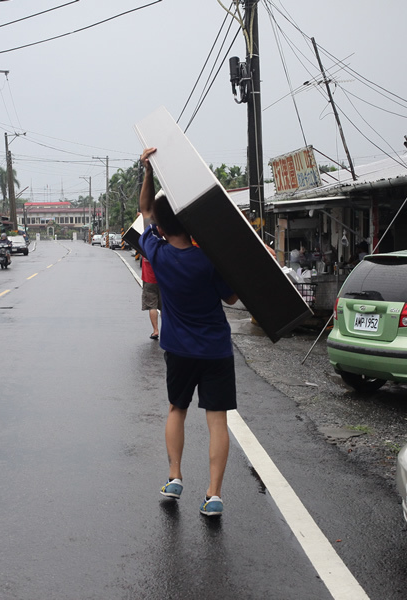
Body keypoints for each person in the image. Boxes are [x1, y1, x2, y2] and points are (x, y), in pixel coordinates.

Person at [138, 146, 239, 517]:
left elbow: (146, 210)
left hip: (178, 349)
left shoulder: (157, 253)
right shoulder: (208, 259)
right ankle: (213, 495)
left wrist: (148, 169)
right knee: (217, 420)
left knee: (176, 409)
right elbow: (230, 300)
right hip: (215, 349)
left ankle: (175, 476)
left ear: (163, 228)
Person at [141, 253, 162, 340]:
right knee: (164, 307)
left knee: (152, 306)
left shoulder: (144, 248)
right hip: (162, 280)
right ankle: (165, 330)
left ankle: (155, 330)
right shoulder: (161, 248)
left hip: (149, 280)